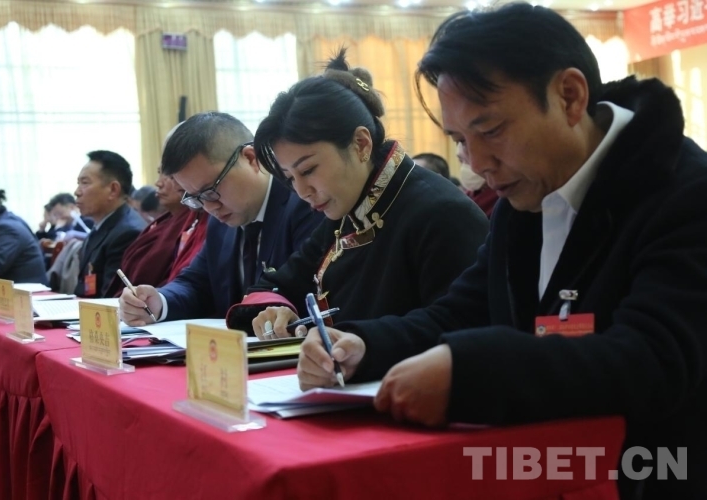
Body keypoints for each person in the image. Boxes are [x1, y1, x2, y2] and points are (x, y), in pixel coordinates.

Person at [297, 5, 707, 499]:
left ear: (569, 96)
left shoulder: (683, 193)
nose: (478, 162)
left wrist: (472, 371)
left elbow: (653, 360)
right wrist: (364, 346)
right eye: (459, 140)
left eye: (491, 131)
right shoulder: (526, 193)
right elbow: (461, 311)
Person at [230, 50, 488, 339]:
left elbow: (457, 330)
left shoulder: (441, 214)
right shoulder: (346, 212)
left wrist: (359, 344)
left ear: (361, 144)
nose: (302, 192)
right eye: (290, 178)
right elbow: (279, 282)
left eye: (309, 169)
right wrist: (276, 310)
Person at [118, 112, 324, 325]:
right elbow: (197, 283)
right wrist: (159, 302)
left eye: (211, 190)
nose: (209, 207)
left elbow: (305, 293)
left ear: (251, 158)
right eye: (196, 197)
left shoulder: (304, 205)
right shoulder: (220, 220)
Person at [107, 166, 207, 297]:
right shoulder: (161, 223)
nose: (158, 183)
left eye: (170, 176)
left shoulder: (203, 222)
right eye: (159, 173)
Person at [74, 150, 146, 298]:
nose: (77, 192)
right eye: (78, 183)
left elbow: (112, 299)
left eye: (85, 183)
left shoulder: (128, 233)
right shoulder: (101, 225)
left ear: (113, 190)